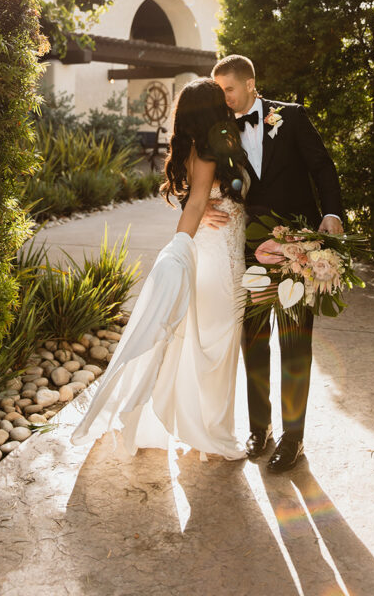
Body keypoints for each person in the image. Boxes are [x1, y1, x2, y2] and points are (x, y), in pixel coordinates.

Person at [71, 77, 249, 460]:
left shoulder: (209, 148)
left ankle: (208, 428)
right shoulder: (205, 153)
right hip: (216, 258)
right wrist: (178, 246)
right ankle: (210, 433)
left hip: (225, 250)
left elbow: (200, 201)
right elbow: (198, 201)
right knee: (216, 344)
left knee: (213, 343)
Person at [209, 54, 344, 472]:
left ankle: (294, 437)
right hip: (248, 250)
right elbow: (197, 175)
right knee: (254, 342)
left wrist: (333, 214)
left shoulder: (294, 117)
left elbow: (323, 168)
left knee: (295, 343)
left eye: (228, 89)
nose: (224, 97)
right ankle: (259, 428)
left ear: (250, 84)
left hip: (297, 247)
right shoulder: (219, 129)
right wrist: (196, 209)